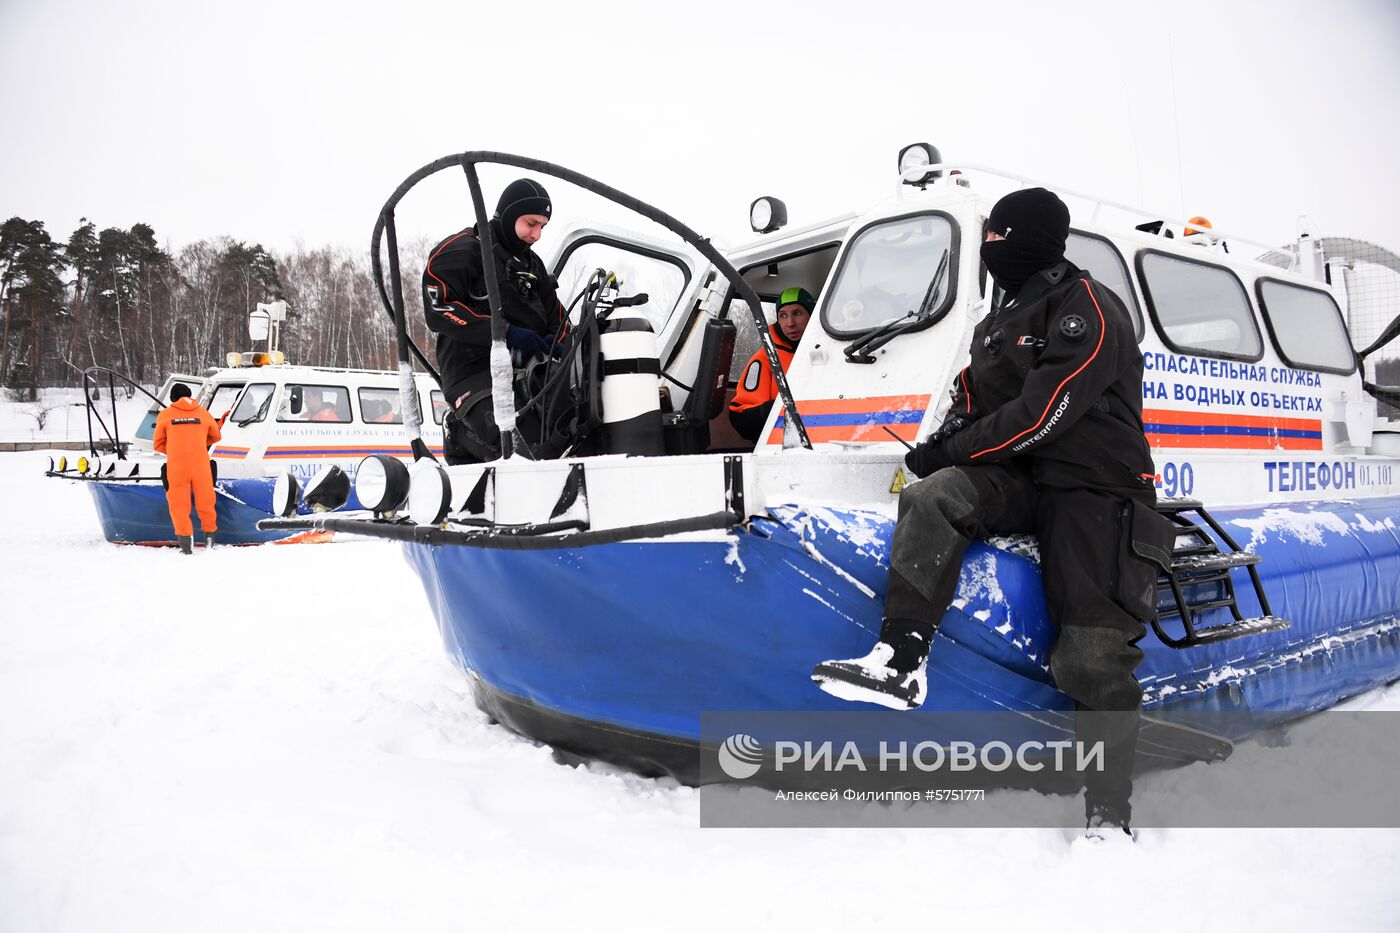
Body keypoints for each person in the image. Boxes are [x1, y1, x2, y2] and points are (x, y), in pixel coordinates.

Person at [811, 188, 1175, 836]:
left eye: (1000, 238)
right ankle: (900, 659)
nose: (991, 250)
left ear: (1031, 239)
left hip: (1096, 486)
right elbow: (977, 408)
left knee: (1090, 655)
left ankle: (1108, 808)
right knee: (933, 494)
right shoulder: (996, 324)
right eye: (990, 240)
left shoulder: (1088, 306)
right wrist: (936, 447)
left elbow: (1044, 410)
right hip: (1024, 480)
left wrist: (956, 444)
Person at [423, 178, 567, 463]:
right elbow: (438, 310)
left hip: (529, 374)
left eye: (543, 227)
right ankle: (458, 428)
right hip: (474, 374)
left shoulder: (532, 266)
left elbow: (558, 318)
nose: (537, 235)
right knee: (523, 452)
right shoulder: (462, 252)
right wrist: (505, 334)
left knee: (566, 433)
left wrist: (558, 344)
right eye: (531, 223)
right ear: (511, 215)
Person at [728, 286, 815, 442]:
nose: (790, 323)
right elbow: (740, 416)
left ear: (811, 315)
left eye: (797, 313)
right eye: (783, 315)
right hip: (781, 448)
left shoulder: (831, 351)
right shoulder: (765, 359)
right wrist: (779, 409)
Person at [153, 382, 221, 554]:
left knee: (179, 506)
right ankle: (210, 544)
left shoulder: (165, 415)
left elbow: (158, 444)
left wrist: (176, 449)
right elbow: (215, 436)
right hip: (201, 465)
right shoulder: (203, 413)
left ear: (172, 399)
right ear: (191, 396)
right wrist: (198, 445)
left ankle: (186, 547)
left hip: (177, 466)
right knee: (206, 503)